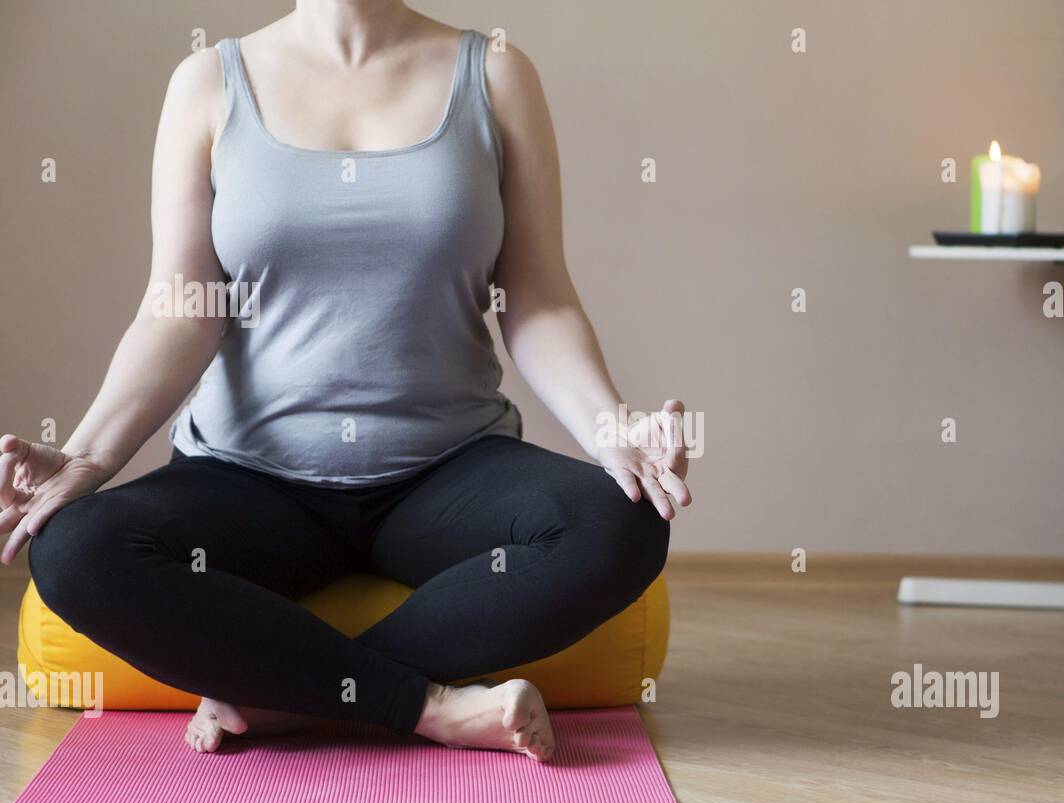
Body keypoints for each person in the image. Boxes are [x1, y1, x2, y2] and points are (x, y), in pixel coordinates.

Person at [0, 0, 690, 762]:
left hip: (445, 474)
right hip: (247, 482)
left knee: (623, 523)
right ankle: (424, 706)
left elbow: (538, 298)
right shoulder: (208, 82)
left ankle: (287, 696)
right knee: (73, 549)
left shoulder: (494, 73)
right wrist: (91, 456)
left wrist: (611, 427)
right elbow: (180, 311)